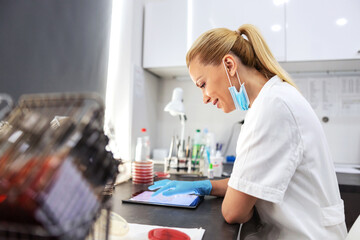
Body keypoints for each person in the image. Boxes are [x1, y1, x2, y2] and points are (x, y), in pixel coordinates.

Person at [149, 24, 347, 239]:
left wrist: (235, 198)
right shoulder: (272, 99)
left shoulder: (272, 107)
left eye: (202, 84)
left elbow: (234, 212)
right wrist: (204, 186)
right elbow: (246, 183)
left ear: (229, 64)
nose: (204, 97)